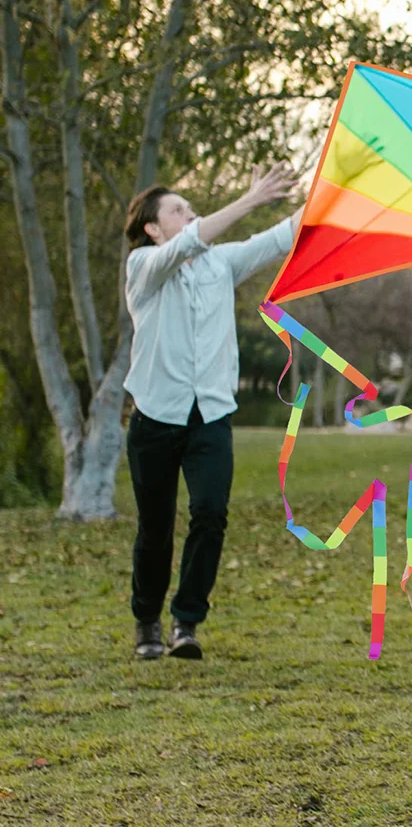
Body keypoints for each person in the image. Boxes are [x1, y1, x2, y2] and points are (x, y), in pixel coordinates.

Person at [122, 163, 303, 661]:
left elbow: (282, 236)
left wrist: (343, 190)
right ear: (154, 229)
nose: (189, 212)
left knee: (210, 514)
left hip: (210, 417)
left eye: (189, 206)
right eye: (177, 210)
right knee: (154, 528)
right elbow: (189, 243)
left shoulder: (221, 263)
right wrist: (250, 199)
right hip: (155, 418)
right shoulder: (143, 266)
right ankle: (146, 623)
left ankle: (186, 621)